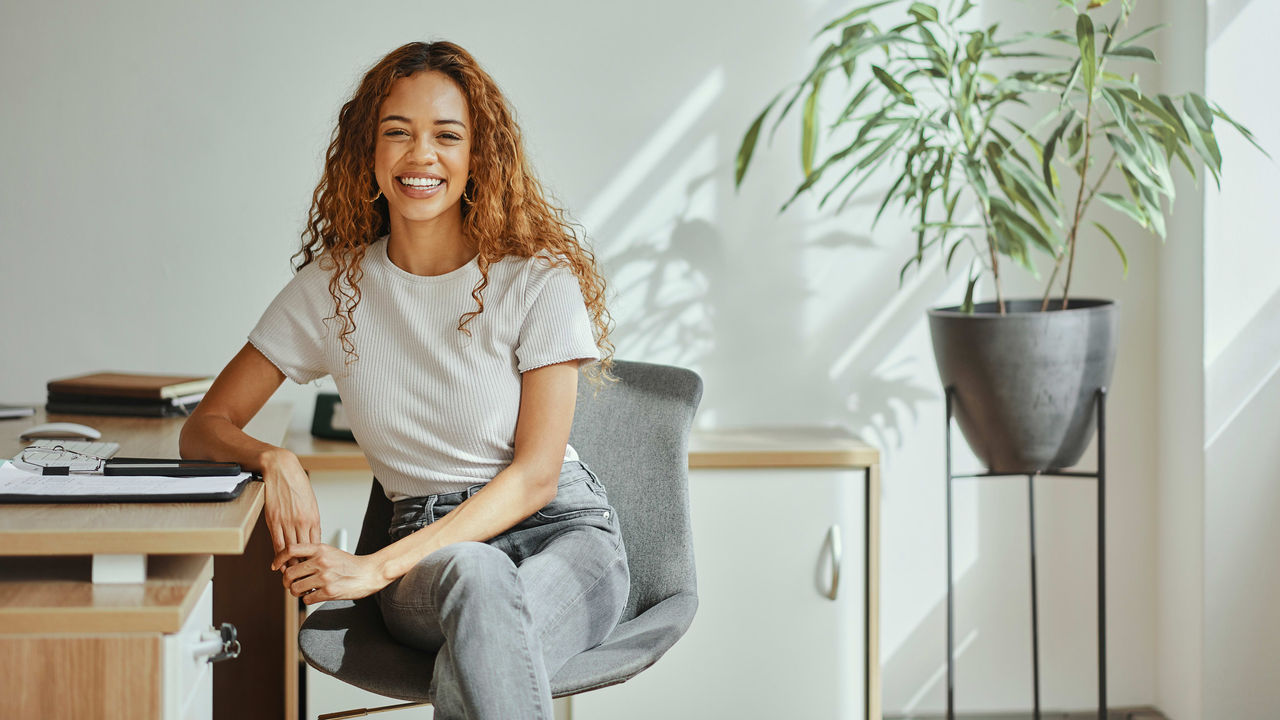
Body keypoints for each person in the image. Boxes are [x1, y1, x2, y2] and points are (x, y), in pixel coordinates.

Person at [179, 40, 628, 720]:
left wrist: (372, 569)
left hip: (564, 536)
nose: (422, 155)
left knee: (482, 646)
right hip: (430, 557)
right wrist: (274, 459)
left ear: (479, 157)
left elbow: (536, 477)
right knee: (479, 588)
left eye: (447, 136)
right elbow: (204, 428)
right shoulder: (332, 289)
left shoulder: (537, 281)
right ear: (370, 152)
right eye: (398, 133)